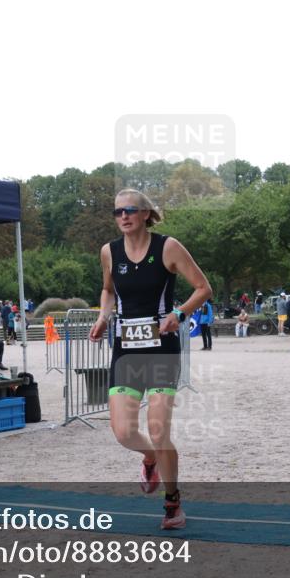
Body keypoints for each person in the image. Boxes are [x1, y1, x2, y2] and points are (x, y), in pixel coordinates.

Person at [89, 188, 212, 530]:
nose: (123, 217)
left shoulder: (167, 247)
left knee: (159, 431)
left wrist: (178, 312)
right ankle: (149, 458)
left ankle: (173, 504)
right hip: (126, 349)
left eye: (129, 210)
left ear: (145, 214)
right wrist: (103, 316)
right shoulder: (109, 252)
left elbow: (204, 288)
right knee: (123, 432)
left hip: (161, 348)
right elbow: (108, 290)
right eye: (117, 212)